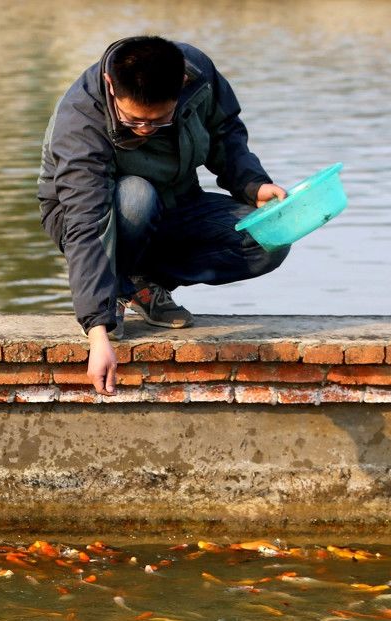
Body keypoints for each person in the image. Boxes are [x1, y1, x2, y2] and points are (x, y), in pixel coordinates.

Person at [38, 36, 290, 395]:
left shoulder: (197, 74)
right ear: (110, 85)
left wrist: (253, 185)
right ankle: (115, 292)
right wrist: (98, 332)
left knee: (268, 241)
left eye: (158, 121)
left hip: (176, 201)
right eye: (134, 120)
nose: (144, 130)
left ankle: (139, 284)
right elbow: (85, 223)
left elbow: (225, 132)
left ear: (181, 87)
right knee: (136, 196)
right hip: (93, 215)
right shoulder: (80, 121)